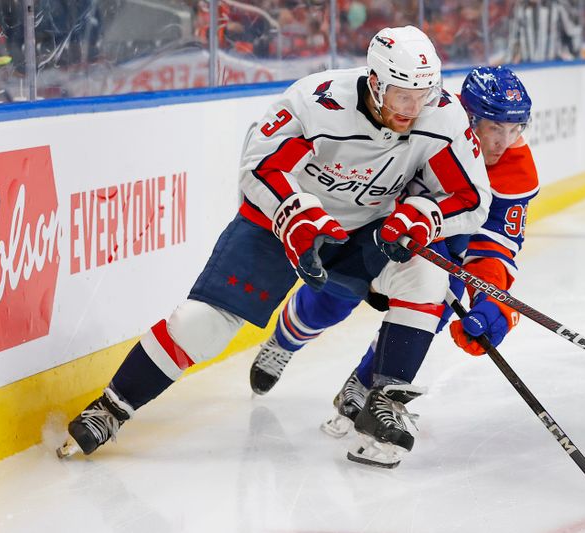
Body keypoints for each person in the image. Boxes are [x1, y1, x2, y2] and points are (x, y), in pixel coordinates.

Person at [57, 25, 490, 458]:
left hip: (367, 230)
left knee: (429, 278)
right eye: (402, 96)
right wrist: (294, 214)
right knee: (199, 324)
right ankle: (111, 408)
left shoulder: (442, 117)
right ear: (375, 82)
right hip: (281, 222)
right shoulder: (317, 101)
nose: (413, 108)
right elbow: (260, 166)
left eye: (424, 94)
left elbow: (473, 198)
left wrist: (426, 216)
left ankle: (384, 402)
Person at [250, 65, 538, 468]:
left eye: (515, 128)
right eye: (494, 127)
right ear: (469, 120)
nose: (505, 141)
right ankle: (284, 341)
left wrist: (492, 303)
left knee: (432, 308)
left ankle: (367, 388)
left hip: (437, 240)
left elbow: (495, 243)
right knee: (332, 299)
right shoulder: (425, 127)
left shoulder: (516, 166)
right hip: (375, 228)